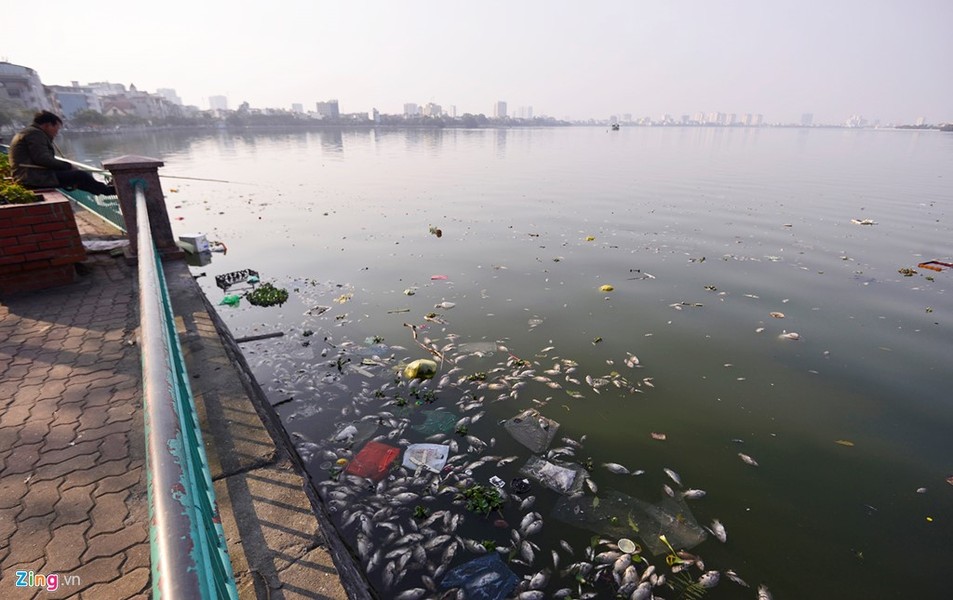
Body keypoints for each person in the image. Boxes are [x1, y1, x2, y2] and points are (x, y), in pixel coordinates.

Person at [9, 110, 116, 196]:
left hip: (29, 175)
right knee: (80, 175)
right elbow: (42, 158)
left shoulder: (29, 132)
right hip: (33, 177)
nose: (56, 132)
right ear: (48, 125)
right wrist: (68, 166)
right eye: (56, 128)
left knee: (79, 178)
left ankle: (102, 190)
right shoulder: (35, 134)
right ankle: (109, 191)